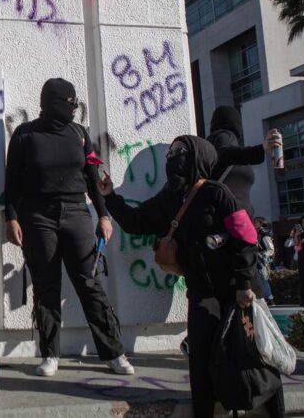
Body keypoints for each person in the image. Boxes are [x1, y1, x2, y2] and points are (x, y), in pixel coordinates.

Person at [99, 135, 283, 418]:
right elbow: (136, 222)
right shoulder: (169, 199)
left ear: (198, 157)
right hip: (201, 295)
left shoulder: (216, 193)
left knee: (255, 356)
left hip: (237, 292)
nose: (173, 157)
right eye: (171, 152)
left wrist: (245, 284)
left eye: (180, 151)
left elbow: (245, 236)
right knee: (201, 363)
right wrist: (110, 197)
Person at [4, 78, 133, 376]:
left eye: (75, 104)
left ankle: (114, 353)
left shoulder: (80, 133)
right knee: (46, 286)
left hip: (77, 213)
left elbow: (92, 177)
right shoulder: (25, 134)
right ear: (52, 102)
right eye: (69, 103)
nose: (73, 109)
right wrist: (11, 217)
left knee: (89, 283)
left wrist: (103, 215)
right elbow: (11, 183)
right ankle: (50, 355)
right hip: (38, 216)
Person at [207, 105, 281, 216]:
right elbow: (225, 153)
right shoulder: (224, 135)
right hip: (228, 220)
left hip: (233, 219)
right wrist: (260, 149)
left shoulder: (226, 141)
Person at [254, 217, 276, 305]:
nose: (255, 223)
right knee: (257, 280)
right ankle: (262, 299)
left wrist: (262, 255)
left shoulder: (265, 234)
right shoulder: (255, 234)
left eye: (257, 222)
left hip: (262, 261)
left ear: (262, 223)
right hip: (255, 260)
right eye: (254, 222)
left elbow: (271, 250)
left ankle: (270, 299)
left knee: (263, 279)